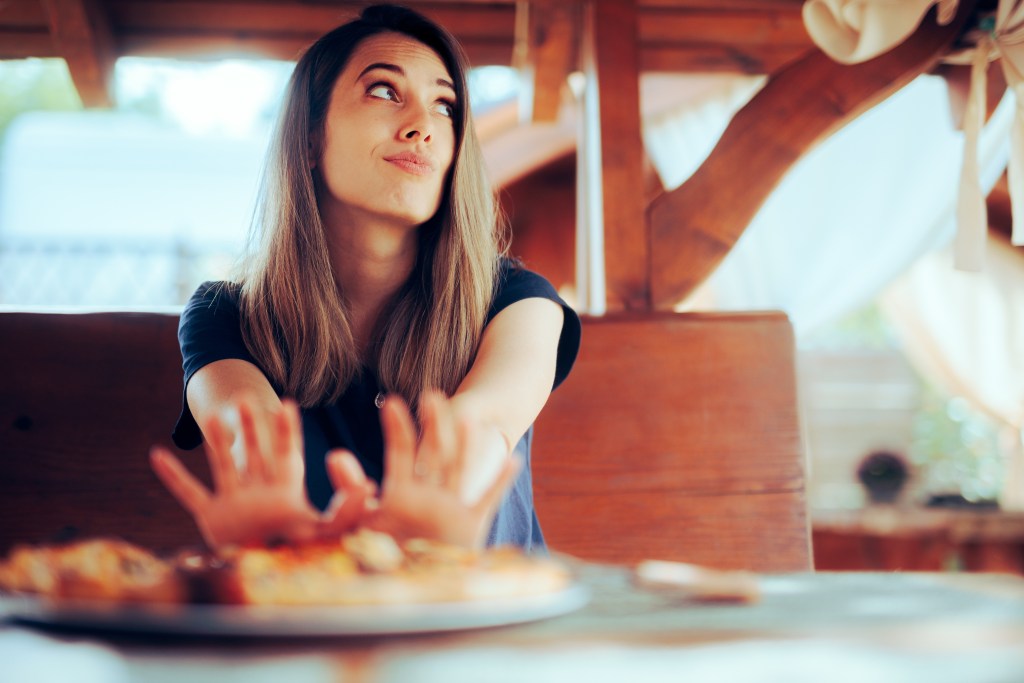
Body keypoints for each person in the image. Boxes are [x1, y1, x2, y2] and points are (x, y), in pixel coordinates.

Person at [149, 4, 580, 554]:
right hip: (316, 617)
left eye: (445, 105)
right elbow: (247, 438)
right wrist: (286, 526)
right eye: (383, 91)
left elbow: (481, 428)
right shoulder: (223, 315)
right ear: (307, 139)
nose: (422, 126)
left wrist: (424, 513)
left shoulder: (519, 301)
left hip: (489, 626)